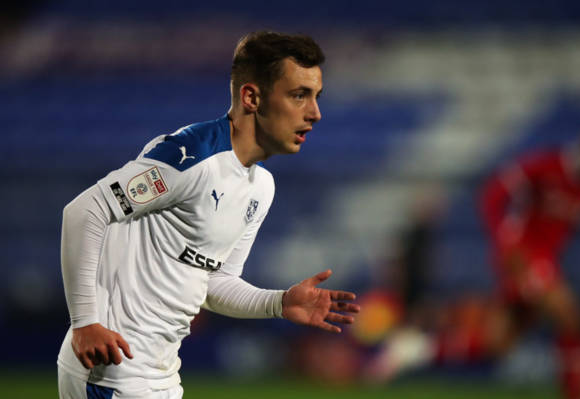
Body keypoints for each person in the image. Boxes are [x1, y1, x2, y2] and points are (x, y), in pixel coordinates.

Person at [57, 31, 360, 399]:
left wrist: (279, 303)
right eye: (299, 95)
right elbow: (84, 211)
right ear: (251, 97)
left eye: (315, 97)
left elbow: (214, 284)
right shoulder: (189, 156)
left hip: (162, 375)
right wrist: (85, 322)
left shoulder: (260, 187)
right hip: (111, 372)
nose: (315, 113)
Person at [480, 125, 580, 399]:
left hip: (547, 262)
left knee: (498, 342)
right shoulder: (549, 165)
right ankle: (574, 394)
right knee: (569, 316)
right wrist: (503, 240)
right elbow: (494, 191)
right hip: (522, 254)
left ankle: (422, 349)